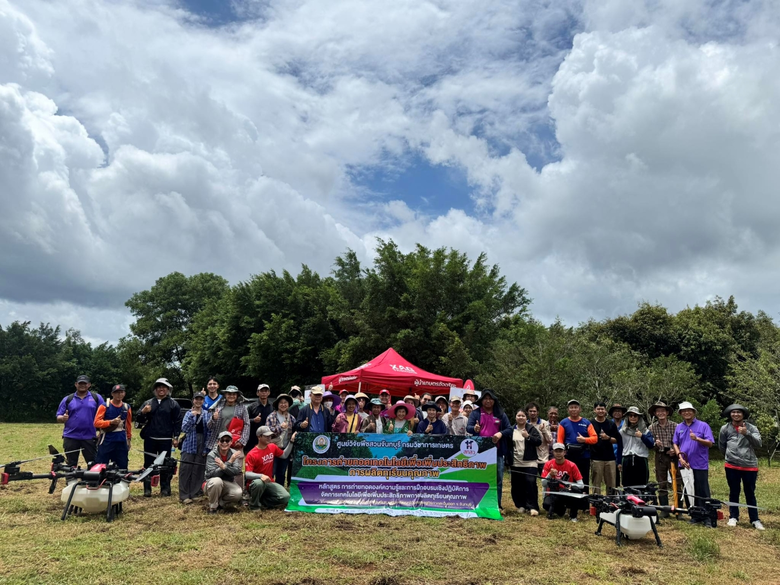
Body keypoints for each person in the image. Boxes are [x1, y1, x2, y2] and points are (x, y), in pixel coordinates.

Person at [718, 404, 764, 530]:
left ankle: (755, 519)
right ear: (730, 414)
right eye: (733, 412)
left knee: (750, 493)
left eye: (739, 412)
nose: (736, 414)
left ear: (743, 415)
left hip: (749, 466)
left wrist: (747, 433)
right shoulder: (725, 428)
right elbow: (722, 446)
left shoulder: (751, 428)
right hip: (732, 465)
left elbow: (759, 443)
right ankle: (733, 517)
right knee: (734, 492)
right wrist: (729, 456)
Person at [135, 378, 181, 497]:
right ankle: (147, 489)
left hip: (165, 439)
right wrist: (144, 412)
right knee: (148, 464)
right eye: (159, 387)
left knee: (166, 464)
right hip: (150, 438)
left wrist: (176, 437)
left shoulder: (173, 404)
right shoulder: (148, 403)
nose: (161, 389)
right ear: (155, 389)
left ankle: (165, 488)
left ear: (168, 389)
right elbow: (138, 420)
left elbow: (177, 421)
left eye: (164, 387)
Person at [466, 389, 511, 508]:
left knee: (498, 478)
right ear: (482, 401)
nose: (488, 401)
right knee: (479, 477)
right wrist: (474, 429)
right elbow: (468, 427)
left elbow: (509, 429)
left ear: (494, 400)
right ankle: (479, 502)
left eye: (490, 398)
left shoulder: (500, 413)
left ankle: (497, 503)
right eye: (485, 398)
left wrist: (500, 434)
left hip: (497, 451)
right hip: (480, 452)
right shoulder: (476, 413)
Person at [673, 401, 714, 526]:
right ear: (680, 413)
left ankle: (707, 517)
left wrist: (697, 439)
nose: (686, 413)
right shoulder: (679, 427)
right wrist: (679, 456)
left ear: (693, 412)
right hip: (684, 464)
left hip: (699, 464)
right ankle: (695, 515)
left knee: (702, 491)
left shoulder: (703, 425)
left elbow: (710, 443)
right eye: (683, 411)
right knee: (689, 491)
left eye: (689, 410)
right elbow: (675, 443)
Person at [56, 374, 105, 467]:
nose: (82, 385)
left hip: (90, 437)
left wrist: (101, 432)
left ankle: (91, 481)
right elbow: (58, 416)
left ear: (89, 385)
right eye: (80, 383)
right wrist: (63, 418)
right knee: (71, 464)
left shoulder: (96, 398)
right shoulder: (68, 399)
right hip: (70, 436)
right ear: (76, 384)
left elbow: (104, 416)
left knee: (93, 463)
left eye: (85, 383)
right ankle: (71, 481)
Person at [245, 426, 296, 510]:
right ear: (259, 437)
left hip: (269, 482)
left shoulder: (272, 446)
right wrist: (261, 476)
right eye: (266, 436)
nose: (269, 438)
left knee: (285, 497)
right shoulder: (251, 454)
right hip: (255, 483)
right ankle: (254, 506)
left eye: (270, 436)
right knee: (258, 483)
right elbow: (247, 474)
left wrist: (291, 441)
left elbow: (284, 455)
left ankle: (261, 501)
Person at [505, 408, 542, 515]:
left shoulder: (531, 429)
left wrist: (528, 437)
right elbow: (508, 446)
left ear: (526, 418)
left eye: (523, 416)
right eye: (519, 416)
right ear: (515, 417)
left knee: (530, 483)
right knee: (517, 484)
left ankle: (533, 507)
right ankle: (520, 505)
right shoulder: (511, 429)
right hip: (516, 461)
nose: (521, 418)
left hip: (530, 461)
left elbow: (539, 441)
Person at [556, 399, 597, 494]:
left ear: (580, 409)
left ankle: (584, 506)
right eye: (571, 407)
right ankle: (570, 504)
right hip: (569, 457)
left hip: (583, 457)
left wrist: (584, 440)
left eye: (576, 407)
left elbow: (595, 439)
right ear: (568, 410)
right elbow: (559, 441)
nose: (573, 409)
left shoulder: (586, 423)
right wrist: (560, 455)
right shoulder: (563, 423)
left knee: (584, 480)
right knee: (569, 480)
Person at [179, 392, 210, 504]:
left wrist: (207, 448)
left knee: (198, 469)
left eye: (201, 399)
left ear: (203, 401)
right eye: (196, 399)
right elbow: (185, 428)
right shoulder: (188, 413)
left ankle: (195, 492)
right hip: (189, 443)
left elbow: (209, 431)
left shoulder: (207, 414)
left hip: (202, 442)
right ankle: (184, 495)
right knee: (185, 469)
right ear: (193, 400)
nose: (198, 401)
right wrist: (193, 416)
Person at [542, 443, 585, 521]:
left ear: (564, 452)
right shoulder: (548, 464)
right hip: (553, 494)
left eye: (560, 451)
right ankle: (560, 510)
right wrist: (549, 475)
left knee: (576, 490)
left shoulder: (572, 465)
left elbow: (581, 485)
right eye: (556, 451)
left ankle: (573, 516)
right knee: (546, 505)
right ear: (553, 452)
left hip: (567, 493)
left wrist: (570, 486)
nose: (558, 453)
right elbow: (543, 483)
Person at [93, 384, 132, 469]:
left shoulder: (126, 407)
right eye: (116, 392)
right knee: (101, 464)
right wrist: (110, 422)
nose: (119, 395)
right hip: (107, 439)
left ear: (124, 393)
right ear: (112, 394)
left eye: (121, 392)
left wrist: (128, 439)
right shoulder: (104, 406)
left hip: (121, 440)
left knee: (122, 465)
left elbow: (128, 425)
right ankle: (102, 481)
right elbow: (96, 422)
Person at [204, 431, 244, 513]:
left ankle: (220, 504)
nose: (224, 443)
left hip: (228, 482)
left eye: (227, 440)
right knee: (217, 481)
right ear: (218, 442)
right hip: (211, 483)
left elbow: (236, 471)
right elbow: (212, 474)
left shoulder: (234, 454)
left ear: (231, 442)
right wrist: (229, 463)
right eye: (222, 440)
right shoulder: (211, 455)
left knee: (238, 493)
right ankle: (213, 508)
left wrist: (224, 467)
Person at [648, 401, 678, 509]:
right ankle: (664, 508)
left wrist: (675, 451)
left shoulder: (675, 426)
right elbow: (649, 445)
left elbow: (680, 442)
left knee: (677, 481)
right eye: (658, 411)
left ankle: (678, 507)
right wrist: (656, 444)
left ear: (667, 412)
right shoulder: (652, 428)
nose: (661, 413)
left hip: (673, 456)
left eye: (663, 411)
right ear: (655, 413)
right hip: (660, 456)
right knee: (661, 482)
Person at [206, 386, 250, 453]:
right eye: (229, 394)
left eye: (234, 394)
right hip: (219, 441)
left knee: (235, 462)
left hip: (235, 442)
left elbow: (247, 425)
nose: (231, 396)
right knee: (217, 462)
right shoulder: (218, 406)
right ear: (225, 395)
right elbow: (209, 426)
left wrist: (242, 441)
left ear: (237, 396)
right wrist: (213, 418)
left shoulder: (242, 408)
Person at [589, 402, 621, 495]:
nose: (600, 411)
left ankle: (611, 503)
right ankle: (596, 504)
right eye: (598, 409)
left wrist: (608, 438)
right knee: (596, 483)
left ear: (605, 410)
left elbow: (617, 440)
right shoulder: (590, 423)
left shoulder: (611, 424)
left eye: (602, 409)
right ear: (594, 410)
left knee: (611, 483)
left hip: (610, 458)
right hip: (596, 457)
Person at [619, 407, 654, 487]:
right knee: (627, 485)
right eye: (630, 415)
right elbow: (620, 447)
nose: (633, 418)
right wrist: (619, 462)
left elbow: (651, 445)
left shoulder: (645, 431)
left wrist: (642, 436)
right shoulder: (622, 431)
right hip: (627, 459)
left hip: (641, 459)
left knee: (642, 485)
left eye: (635, 416)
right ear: (628, 417)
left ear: (639, 417)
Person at [266, 394, 296, 484]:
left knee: (282, 473)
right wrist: (280, 428)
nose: (283, 405)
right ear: (277, 404)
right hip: (272, 449)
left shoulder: (291, 418)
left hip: (286, 449)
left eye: (285, 402)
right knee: (271, 472)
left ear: (288, 404)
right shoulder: (271, 417)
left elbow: (295, 430)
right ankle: (269, 492)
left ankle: (280, 493)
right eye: (281, 403)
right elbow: (268, 434)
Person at [526, 402, 553, 475]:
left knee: (545, 481)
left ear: (537, 412)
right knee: (530, 482)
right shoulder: (525, 424)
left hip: (543, 458)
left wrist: (543, 430)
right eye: (530, 411)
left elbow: (550, 440)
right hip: (530, 458)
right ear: (527, 412)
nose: (532, 413)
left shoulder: (544, 423)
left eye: (534, 411)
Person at [246, 384, 273, 452]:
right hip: (254, 438)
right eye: (262, 391)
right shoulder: (251, 407)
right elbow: (245, 421)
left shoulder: (273, 406)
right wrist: (253, 420)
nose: (264, 393)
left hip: (269, 437)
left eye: (266, 391)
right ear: (257, 393)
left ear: (269, 393)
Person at [609, 404, 627, 484]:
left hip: (624, 454)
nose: (617, 413)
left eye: (619, 411)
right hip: (611, 454)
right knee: (613, 479)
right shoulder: (608, 424)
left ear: (623, 413)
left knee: (625, 479)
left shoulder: (626, 425)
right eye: (615, 411)